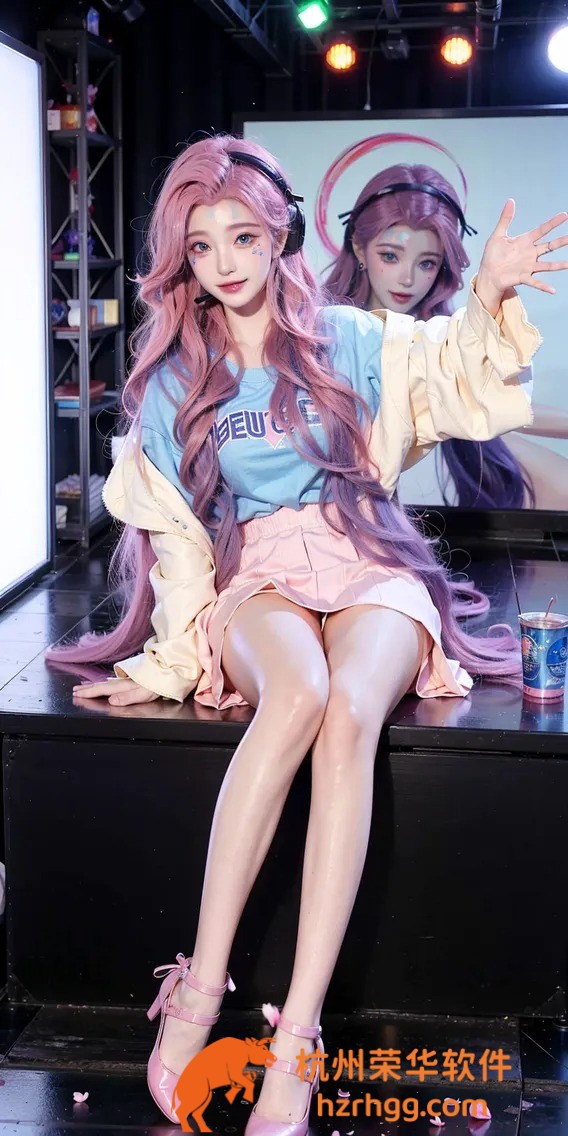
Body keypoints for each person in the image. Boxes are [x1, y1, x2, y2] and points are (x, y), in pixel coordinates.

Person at [45, 133, 567, 1133]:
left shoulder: (350, 339)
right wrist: (171, 655)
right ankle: (199, 985)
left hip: (368, 552)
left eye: (243, 236)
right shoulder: (175, 379)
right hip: (263, 568)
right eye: (202, 245)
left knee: (350, 712)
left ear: (280, 232)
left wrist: (491, 293)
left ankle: (298, 1035)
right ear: (182, 257)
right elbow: (178, 538)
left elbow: (455, 375)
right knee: (297, 694)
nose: (225, 262)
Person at [324, 162, 568, 510]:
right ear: (360, 249)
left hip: (441, 460)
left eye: (426, 262)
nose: (407, 278)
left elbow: (497, 399)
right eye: (390, 256)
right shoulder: (327, 331)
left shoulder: (441, 335)